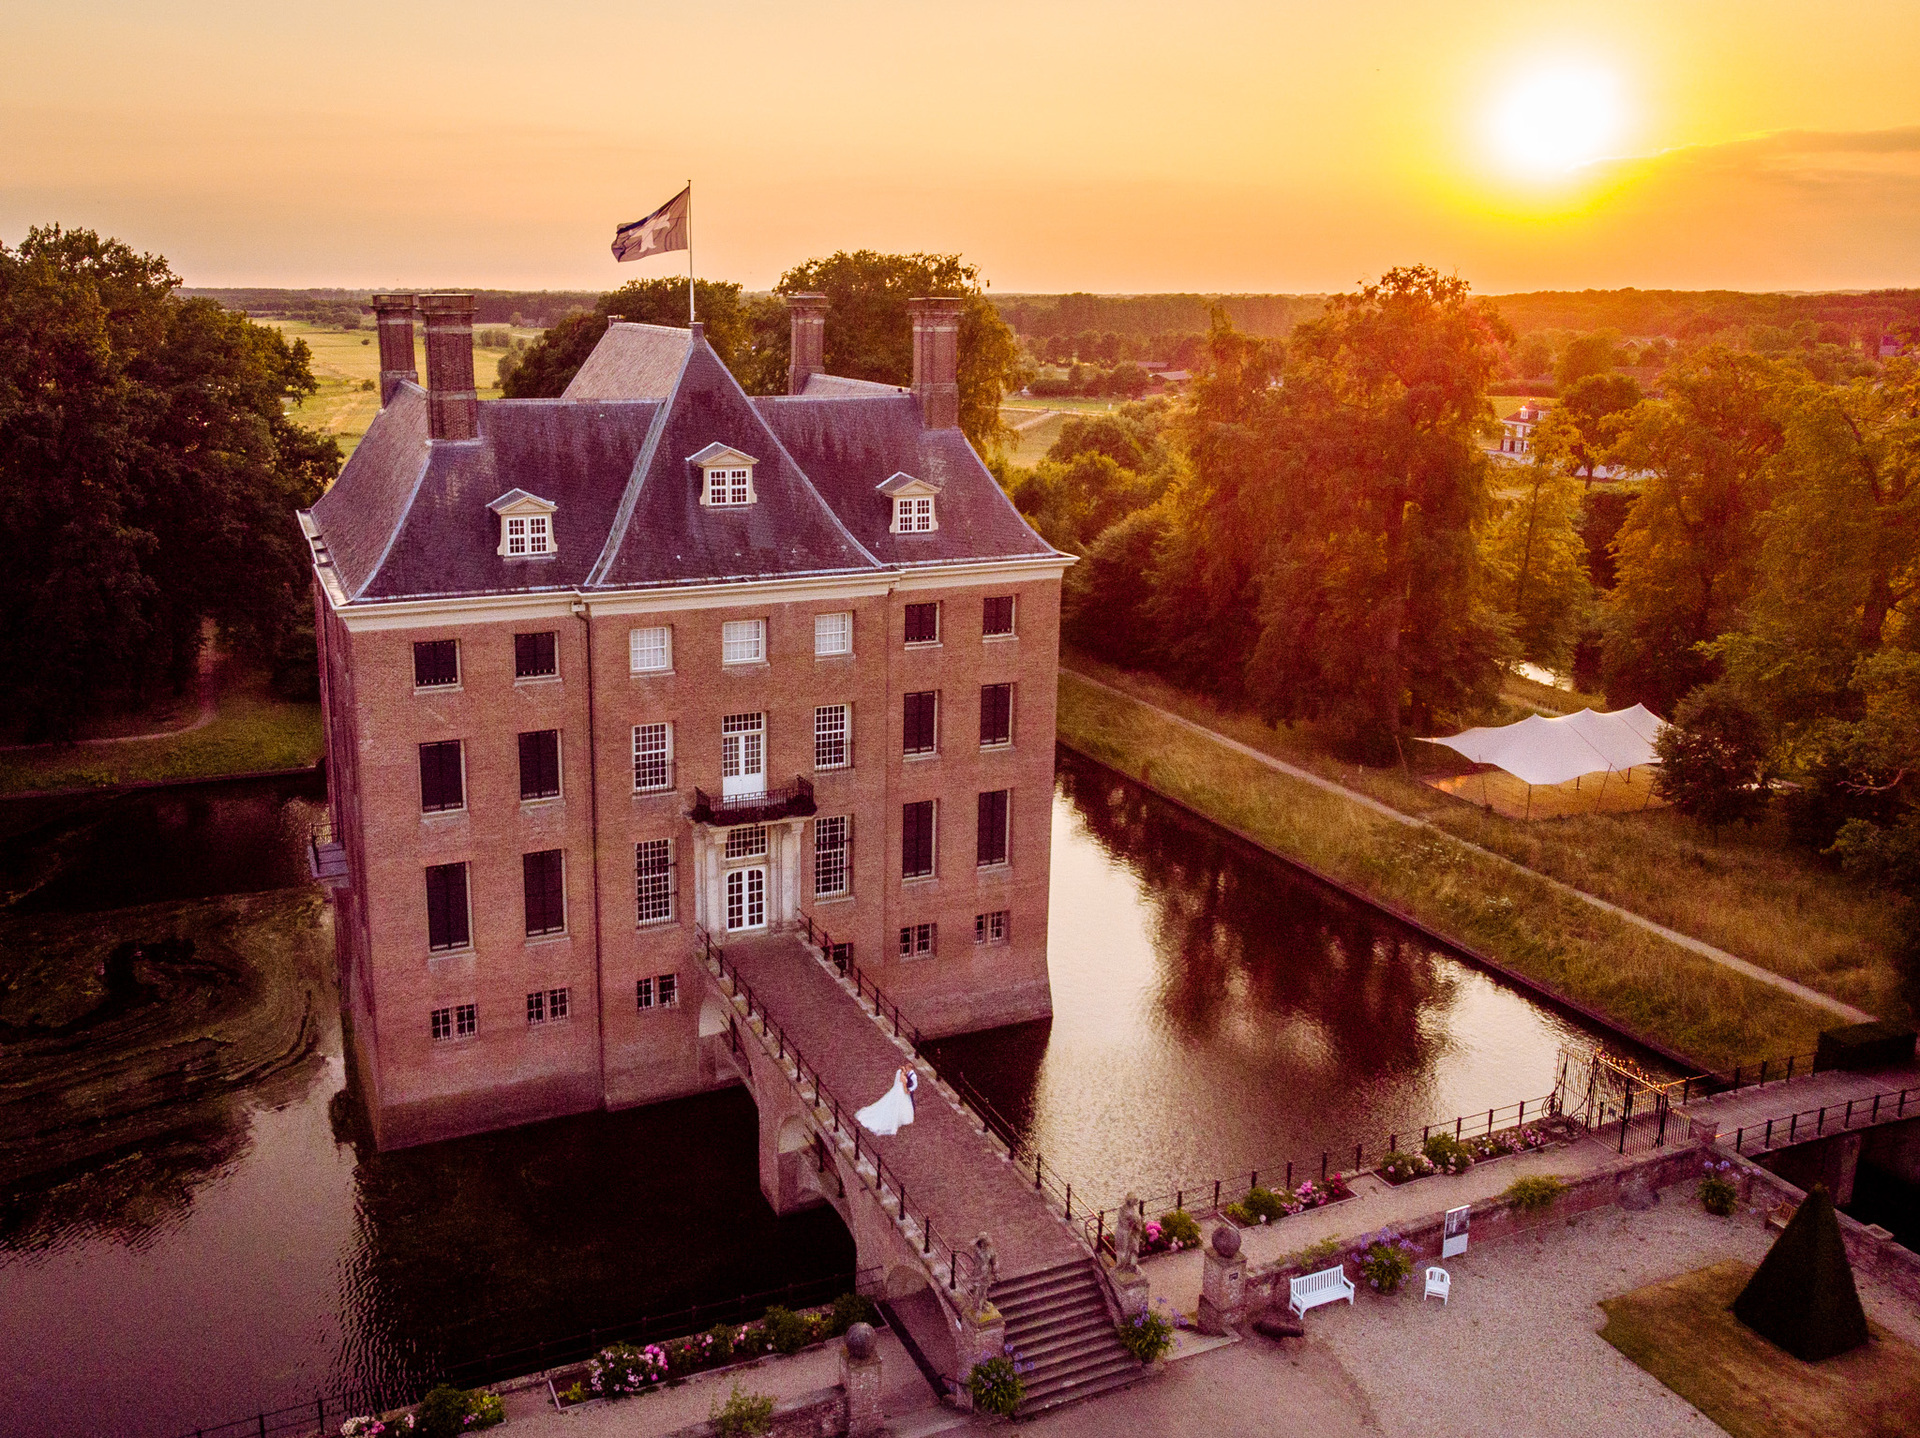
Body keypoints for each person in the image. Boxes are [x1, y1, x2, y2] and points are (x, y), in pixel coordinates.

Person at [856, 1065, 918, 1136]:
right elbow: (904, 1087)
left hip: (896, 1091)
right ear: (903, 1071)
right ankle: (901, 1118)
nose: (906, 1070)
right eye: (905, 1070)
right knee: (902, 1104)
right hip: (901, 1092)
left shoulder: (900, 1076)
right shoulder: (903, 1077)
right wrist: (907, 1091)